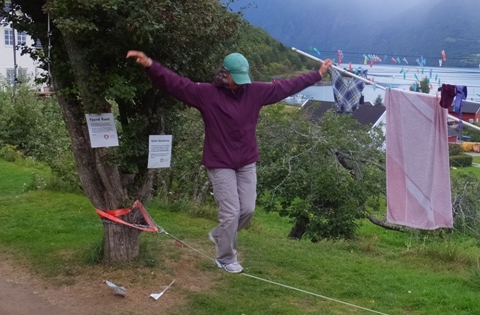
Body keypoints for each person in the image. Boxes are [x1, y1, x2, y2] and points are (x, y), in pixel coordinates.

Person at [127, 50, 332, 273]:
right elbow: (176, 84)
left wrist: (317, 74)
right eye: (237, 78)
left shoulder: (255, 92)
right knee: (231, 213)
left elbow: (286, 86)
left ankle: (219, 235)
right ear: (225, 74)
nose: (242, 84)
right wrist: (150, 65)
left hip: (246, 161)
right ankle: (225, 257)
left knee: (248, 210)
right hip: (220, 162)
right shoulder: (205, 94)